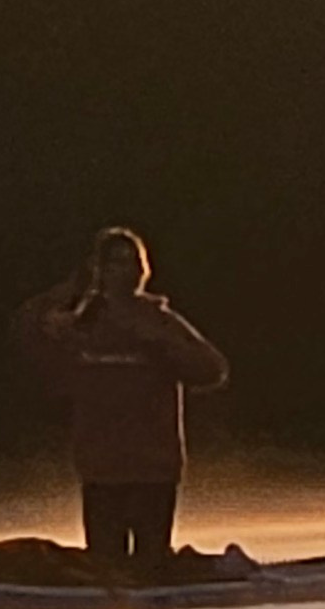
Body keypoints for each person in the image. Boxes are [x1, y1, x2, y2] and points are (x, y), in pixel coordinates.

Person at [15, 228, 230, 582]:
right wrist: (68, 295)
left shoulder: (159, 320)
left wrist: (160, 344)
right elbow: (27, 330)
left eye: (132, 263)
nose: (125, 271)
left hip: (153, 467)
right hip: (101, 468)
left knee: (151, 567)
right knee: (105, 568)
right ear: (98, 270)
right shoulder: (79, 324)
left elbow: (213, 370)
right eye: (114, 263)